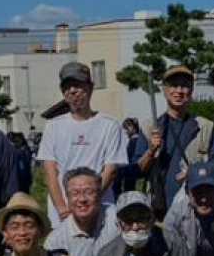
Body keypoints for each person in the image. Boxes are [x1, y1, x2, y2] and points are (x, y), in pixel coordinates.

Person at [35, 61, 127, 224]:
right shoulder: (53, 126)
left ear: (90, 88)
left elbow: (110, 170)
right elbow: (50, 172)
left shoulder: (110, 125)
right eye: (67, 87)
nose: (72, 91)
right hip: (62, 214)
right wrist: (63, 209)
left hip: (100, 211)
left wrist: (89, 204)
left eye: (77, 85)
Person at [138, 65, 214, 202]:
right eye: (173, 85)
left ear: (191, 90)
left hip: (196, 207)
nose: (179, 90)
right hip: (159, 212)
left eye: (184, 86)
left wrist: (195, 173)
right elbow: (136, 171)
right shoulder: (149, 128)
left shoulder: (205, 128)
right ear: (164, 90)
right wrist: (150, 151)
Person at [43, 167, 119, 256]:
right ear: (67, 197)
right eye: (75, 193)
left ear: (100, 195)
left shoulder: (118, 219)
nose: (82, 199)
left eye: (89, 192)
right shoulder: (55, 241)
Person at [117, 117, 149, 195]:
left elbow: (131, 157)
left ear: (131, 127)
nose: (125, 132)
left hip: (134, 173)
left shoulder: (134, 141)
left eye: (126, 128)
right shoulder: (137, 140)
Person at [8, 132, 36, 199]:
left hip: (23, 176)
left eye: (17, 140)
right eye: (15, 140)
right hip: (22, 176)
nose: (16, 142)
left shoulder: (23, 150)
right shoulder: (19, 150)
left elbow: (25, 166)